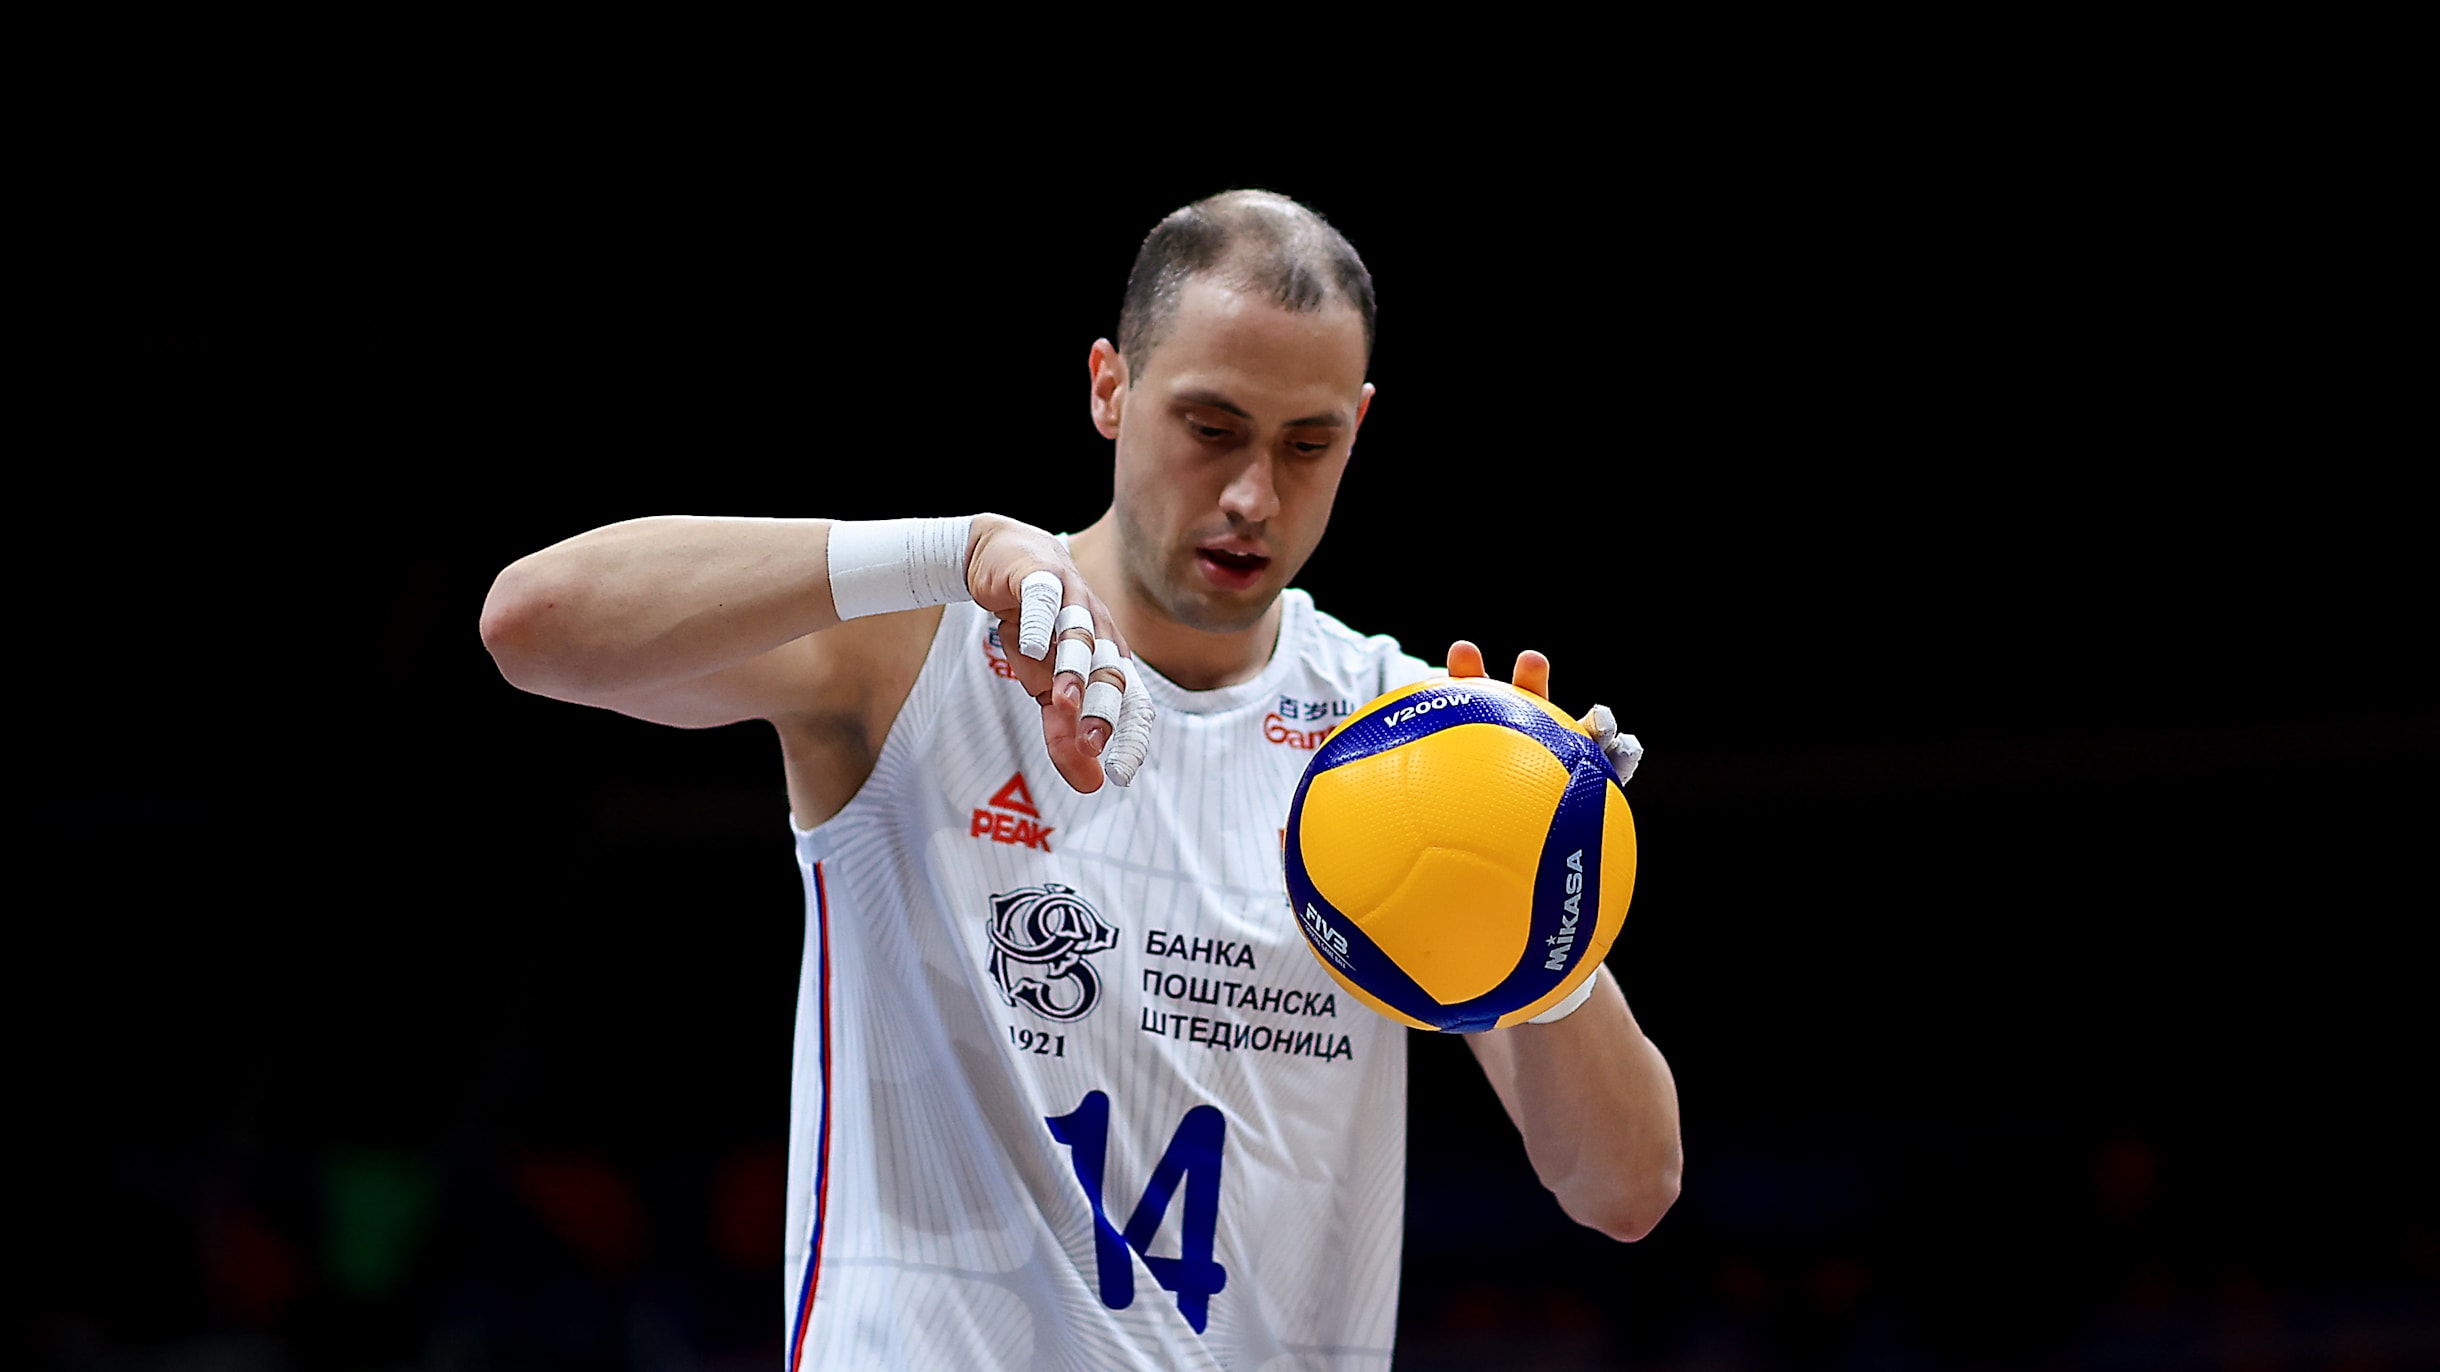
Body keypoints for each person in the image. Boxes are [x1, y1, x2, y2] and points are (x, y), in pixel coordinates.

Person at [479, 189, 1681, 1371]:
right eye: (1211, 428)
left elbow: (1624, 1188)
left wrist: (1539, 901)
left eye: (1307, 444)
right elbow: (532, 625)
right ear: (1109, 386)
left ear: (1359, 426)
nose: (1254, 495)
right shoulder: (921, 647)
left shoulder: (1401, 750)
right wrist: (946, 551)